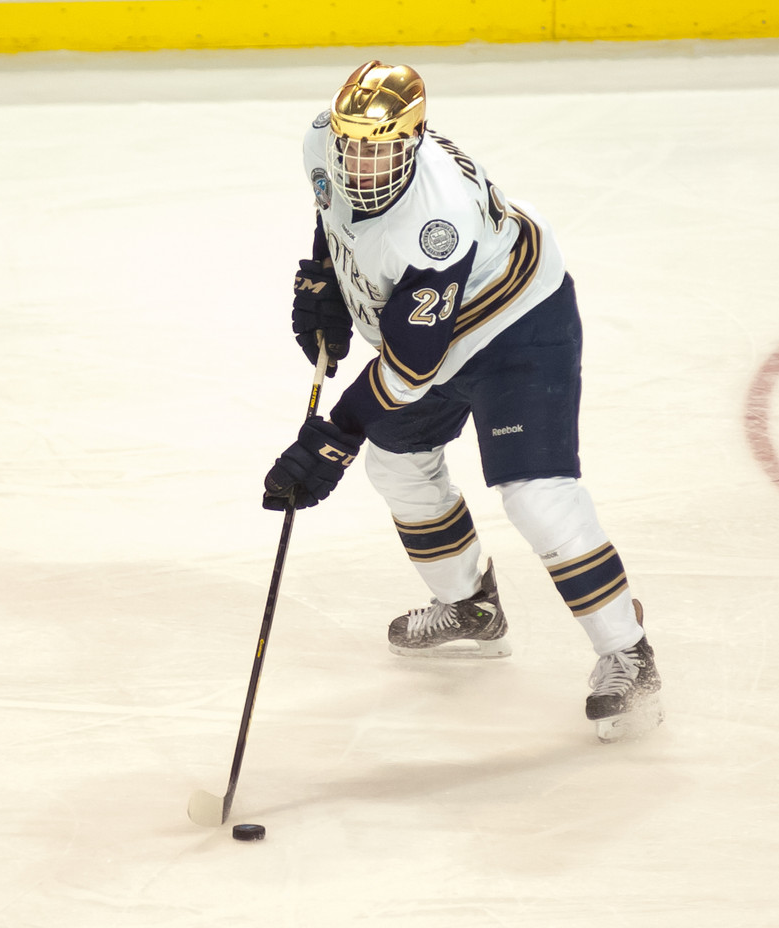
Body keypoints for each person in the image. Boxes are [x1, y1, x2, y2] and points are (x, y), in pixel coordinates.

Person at [262, 61, 662, 742]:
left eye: (381, 150)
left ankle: (628, 651)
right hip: (435, 325)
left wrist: (336, 434)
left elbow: (412, 365)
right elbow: (334, 216)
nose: (361, 162)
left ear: (414, 143)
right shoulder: (320, 142)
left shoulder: (435, 219)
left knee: (536, 495)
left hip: (517, 330)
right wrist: (324, 281)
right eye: (354, 144)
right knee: (396, 464)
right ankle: (472, 607)